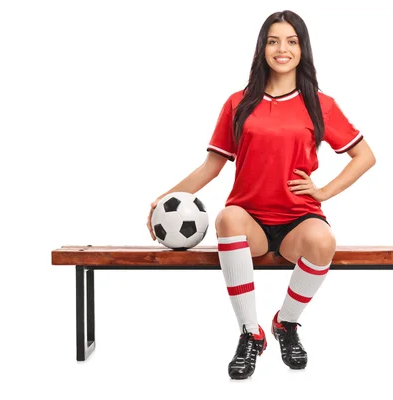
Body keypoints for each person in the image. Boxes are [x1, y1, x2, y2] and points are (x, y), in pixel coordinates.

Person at [147, 10, 376, 379]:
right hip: (249, 220)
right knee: (227, 217)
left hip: (297, 220)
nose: (281, 49)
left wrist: (323, 192)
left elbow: (364, 156)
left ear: (302, 49)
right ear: (262, 48)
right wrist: (163, 200)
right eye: (273, 41)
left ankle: (285, 324)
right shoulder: (239, 102)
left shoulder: (320, 103)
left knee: (323, 240)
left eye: (291, 41)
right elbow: (211, 166)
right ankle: (250, 333)